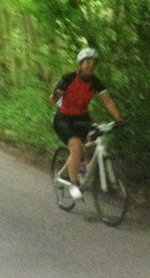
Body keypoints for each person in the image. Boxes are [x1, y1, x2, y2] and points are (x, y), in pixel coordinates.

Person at [49, 47, 123, 200]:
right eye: (87, 62)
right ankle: (74, 184)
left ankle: (82, 167)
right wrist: (59, 102)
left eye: (93, 63)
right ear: (80, 65)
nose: (90, 65)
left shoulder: (95, 82)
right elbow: (53, 98)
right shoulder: (69, 78)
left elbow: (108, 101)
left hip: (82, 118)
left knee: (94, 141)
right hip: (64, 119)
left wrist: (118, 118)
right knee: (76, 146)